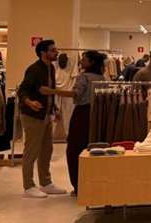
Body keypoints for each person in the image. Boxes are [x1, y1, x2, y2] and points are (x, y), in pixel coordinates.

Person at [16, 38, 68, 197]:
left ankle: (46, 183)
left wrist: (55, 109)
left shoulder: (51, 68)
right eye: (53, 50)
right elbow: (22, 90)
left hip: (46, 114)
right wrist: (30, 102)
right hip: (32, 115)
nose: (56, 52)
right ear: (43, 53)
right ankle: (28, 186)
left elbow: (49, 92)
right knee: (31, 150)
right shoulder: (33, 69)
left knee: (47, 149)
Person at [55, 50, 105, 197]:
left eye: (84, 59)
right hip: (98, 115)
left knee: (75, 149)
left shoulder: (84, 77)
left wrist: (54, 91)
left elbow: (76, 94)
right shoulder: (102, 77)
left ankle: (78, 185)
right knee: (93, 148)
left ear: (91, 62)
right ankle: (92, 183)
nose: (81, 61)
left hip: (82, 114)